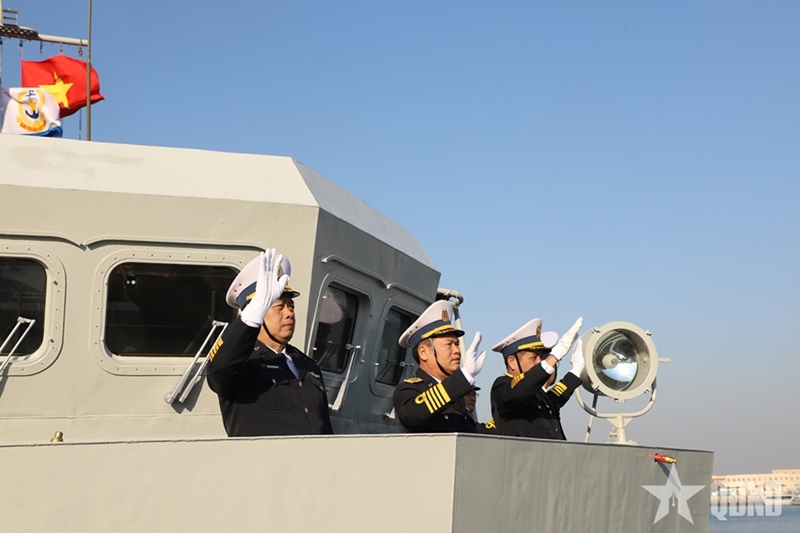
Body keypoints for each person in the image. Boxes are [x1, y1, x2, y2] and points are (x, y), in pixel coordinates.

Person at [206, 250, 333, 437]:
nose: (289, 313)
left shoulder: (307, 366)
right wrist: (252, 315)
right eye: (279, 306)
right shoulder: (243, 362)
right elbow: (219, 368)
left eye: (291, 306)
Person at [392, 300, 486, 433]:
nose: (457, 350)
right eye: (449, 344)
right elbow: (415, 414)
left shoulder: (456, 395)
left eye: (457, 344)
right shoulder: (407, 390)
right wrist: (465, 376)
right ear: (423, 352)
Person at [489, 317, 584, 439]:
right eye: (534, 357)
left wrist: (576, 371)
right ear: (512, 362)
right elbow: (520, 392)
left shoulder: (536, 393)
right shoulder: (502, 386)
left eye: (541, 357)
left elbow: (554, 399)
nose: (540, 362)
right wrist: (554, 356)